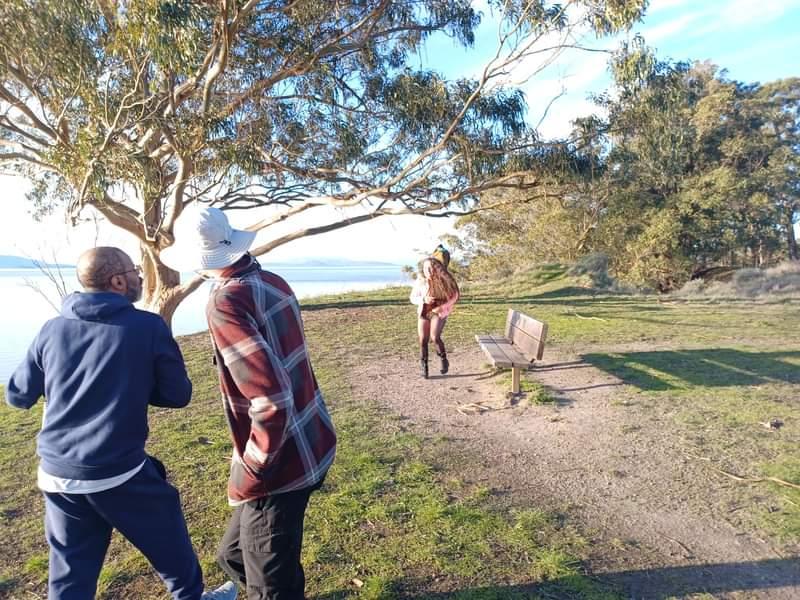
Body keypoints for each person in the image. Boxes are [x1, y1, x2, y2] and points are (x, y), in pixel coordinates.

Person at [5, 247, 236, 600]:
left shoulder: (51, 329)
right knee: (171, 546)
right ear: (117, 281)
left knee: (70, 574)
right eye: (134, 271)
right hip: (116, 472)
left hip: (56, 473)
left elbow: (18, 395)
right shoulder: (146, 327)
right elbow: (178, 395)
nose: (140, 277)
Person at [161, 206, 337, 600]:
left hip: (281, 465)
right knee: (235, 554)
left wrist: (254, 463)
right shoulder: (271, 280)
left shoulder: (226, 303)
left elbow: (271, 398)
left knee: (268, 582)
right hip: (312, 439)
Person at [409, 245, 460, 379]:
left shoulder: (445, 280)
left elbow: (455, 296)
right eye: (426, 268)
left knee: (434, 337)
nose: (429, 271)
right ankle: (424, 366)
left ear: (436, 268)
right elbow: (412, 298)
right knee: (423, 339)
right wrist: (423, 299)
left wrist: (442, 307)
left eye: (431, 268)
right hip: (425, 310)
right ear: (423, 269)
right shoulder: (421, 281)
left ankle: (443, 358)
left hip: (439, 312)